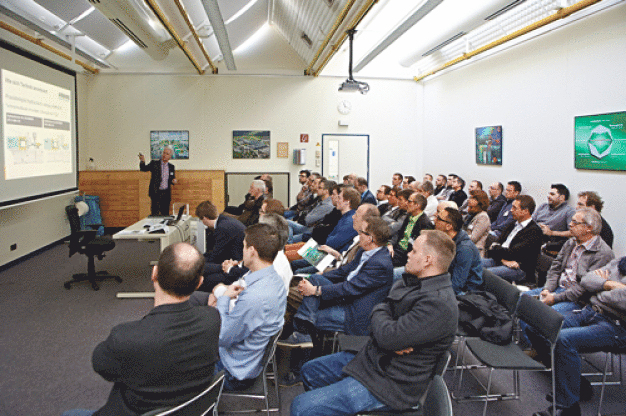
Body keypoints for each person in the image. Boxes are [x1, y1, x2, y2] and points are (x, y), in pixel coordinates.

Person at [290, 230, 459, 416]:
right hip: (374, 357)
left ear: (428, 260)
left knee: (300, 407)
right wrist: (386, 327)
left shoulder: (439, 304)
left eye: (414, 251)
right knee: (309, 371)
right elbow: (384, 315)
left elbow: (386, 333)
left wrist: (385, 327)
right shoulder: (412, 281)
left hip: (390, 382)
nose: (408, 254)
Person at [62, 243, 220, 416]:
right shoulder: (212, 319)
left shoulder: (125, 337)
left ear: (154, 273)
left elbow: (101, 366)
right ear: (199, 283)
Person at [190, 223, 287, 391]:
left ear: (252, 251)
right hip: (244, 357)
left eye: (243, 246)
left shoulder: (256, 297)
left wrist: (224, 299)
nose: (242, 251)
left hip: (232, 371)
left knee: (175, 360)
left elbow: (222, 337)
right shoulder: (272, 278)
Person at [528, 258, 626, 416]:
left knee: (564, 340)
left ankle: (567, 407)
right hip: (590, 311)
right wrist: (609, 285)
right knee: (537, 324)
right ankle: (576, 384)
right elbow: (587, 279)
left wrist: (601, 286)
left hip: (617, 326)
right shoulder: (620, 262)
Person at [523, 208, 614, 313]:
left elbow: (584, 288)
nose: (570, 224)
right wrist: (547, 289)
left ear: (588, 228)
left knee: (540, 314)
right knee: (521, 299)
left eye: (575, 222)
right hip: (556, 289)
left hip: (577, 300)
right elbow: (555, 268)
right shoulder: (571, 243)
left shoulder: (603, 253)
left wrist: (555, 298)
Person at [484, 195, 543, 283]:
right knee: (473, 263)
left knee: (485, 274)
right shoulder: (512, 224)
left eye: (515, 208)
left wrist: (496, 249)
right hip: (501, 261)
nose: (511, 210)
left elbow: (512, 254)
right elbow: (492, 247)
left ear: (525, 211)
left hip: (519, 269)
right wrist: (503, 260)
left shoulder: (534, 231)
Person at [196, 200, 246, 292]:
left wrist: (198, 260)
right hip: (236, 260)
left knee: (200, 270)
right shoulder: (224, 221)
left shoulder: (222, 228)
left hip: (236, 264)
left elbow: (215, 256)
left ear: (204, 218)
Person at [435, 207, 483, 294]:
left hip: (465, 292)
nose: (434, 220)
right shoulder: (447, 240)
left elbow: (456, 285)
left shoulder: (465, 249)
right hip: (446, 280)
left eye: (438, 218)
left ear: (448, 226)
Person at [389, 193, 433, 267]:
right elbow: (399, 233)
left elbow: (420, 249)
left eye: (409, 201)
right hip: (397, 249)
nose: (406, 204)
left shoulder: (425, 224)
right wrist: (390, 244)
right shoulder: (409, 216)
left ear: (417, 205)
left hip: (407, 256)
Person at [139, 146, 177, 216]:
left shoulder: (171, 167)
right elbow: (143, 168)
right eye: (164, 153)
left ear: (170, 157)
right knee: (154, 214)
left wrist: (173, 181)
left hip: (166, 194)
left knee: (165, 214)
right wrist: (142, 161)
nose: (164, 155)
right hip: (156, 193)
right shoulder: (154, 163)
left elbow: (172, 178)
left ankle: (164, 227)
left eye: (167, 154)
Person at [465, 190, 491, 256]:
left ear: (479, 201)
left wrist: (458, 236)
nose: (469, 200)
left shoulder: (483, 217)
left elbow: (473, 238)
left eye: (472, 198)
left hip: (474, 251)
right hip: (465, 246)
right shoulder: (471, 214)